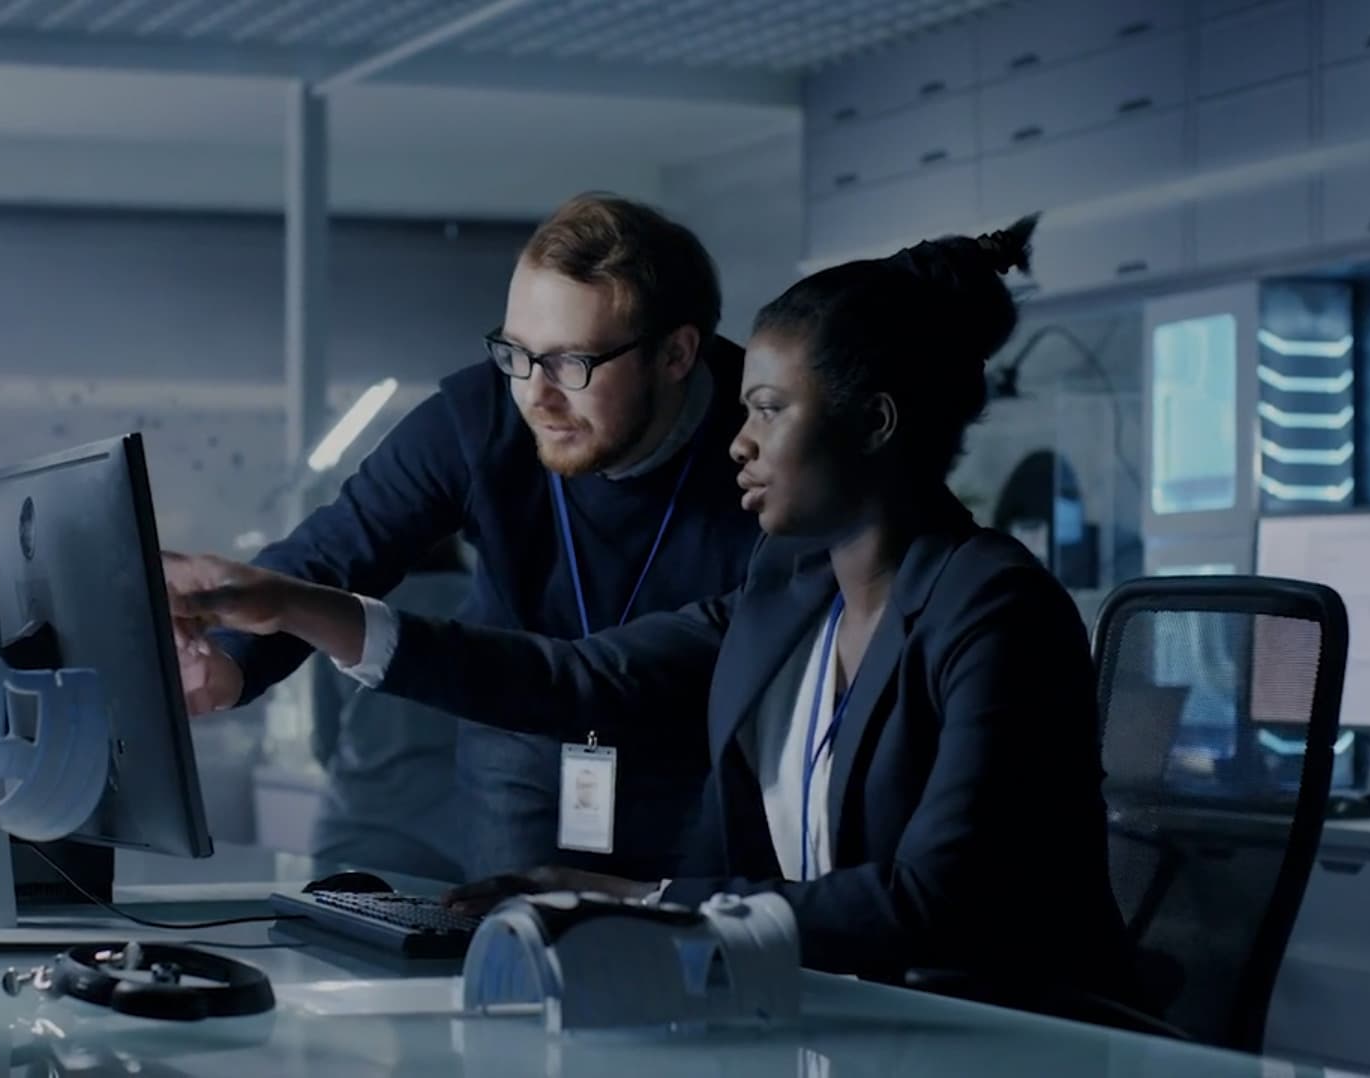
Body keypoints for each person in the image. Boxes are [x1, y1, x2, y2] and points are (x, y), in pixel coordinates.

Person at [167, 215, 1136, 997]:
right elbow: (578, 676)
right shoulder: (796, 591)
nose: (739, 443)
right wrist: (281, 609)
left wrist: (647, 898)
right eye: (517, 354)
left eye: (767, 410)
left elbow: (933, 901)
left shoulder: (989, 606)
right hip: (838, 992)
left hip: (987, 1023)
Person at [180, 193, 763, 882]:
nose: (534, 396)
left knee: (702, 966)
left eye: (570, 364)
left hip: (705, 745)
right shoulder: (478, 414)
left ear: (676, 354)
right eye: (515, 353)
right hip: (524, 740)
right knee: (518, 958)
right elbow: (332, 552)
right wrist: (229, 661)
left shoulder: (764, 436)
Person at [308, 536, 471, 881]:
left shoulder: (345, 609)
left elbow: (324, 741)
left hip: (354, 828)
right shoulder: (483, 601)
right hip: (459, 840)